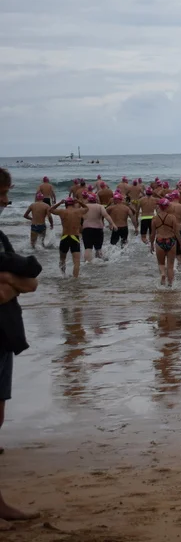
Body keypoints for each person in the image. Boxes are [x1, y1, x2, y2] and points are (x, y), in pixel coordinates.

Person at [0, 168, 43, 527]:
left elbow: (31, 280)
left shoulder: (0, 236)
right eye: (2, 194)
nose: (6, 200)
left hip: (3, 336)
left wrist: (8, 279)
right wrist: (12, 279)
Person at [49, 197, 87, 277]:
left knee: (62, 259)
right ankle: (75, 280)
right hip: (75, 237)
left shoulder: (62, 211)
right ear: (73, 204)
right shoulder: (79, 211)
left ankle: (63, 276)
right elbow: (87, 208)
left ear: (66, 204)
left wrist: (59, 203)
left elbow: (50, 210)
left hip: (64, 237)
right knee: (76, 262)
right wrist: (79, 201)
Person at [150, 198, 181, 287]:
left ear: (159, 207)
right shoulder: (172, 217)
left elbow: (152, 234)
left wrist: (151, 244)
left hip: (159, 241)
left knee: (161, 263)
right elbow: (176, 232)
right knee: (170, 266)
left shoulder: (155, 218)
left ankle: (163, 274)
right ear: (167, 207)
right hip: (171, 240)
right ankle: (170, 285)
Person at [79, 192, 113, 263]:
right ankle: (99, 262)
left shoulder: (84, 207)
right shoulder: (100, 206)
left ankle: (87, 263)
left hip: (87, 229)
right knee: (98, 248)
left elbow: (79, 218)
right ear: (96, 199)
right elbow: (106, 215)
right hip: (98, 229)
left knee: (88, 248)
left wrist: (79, 228)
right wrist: (112, 224)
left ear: (88, 199)